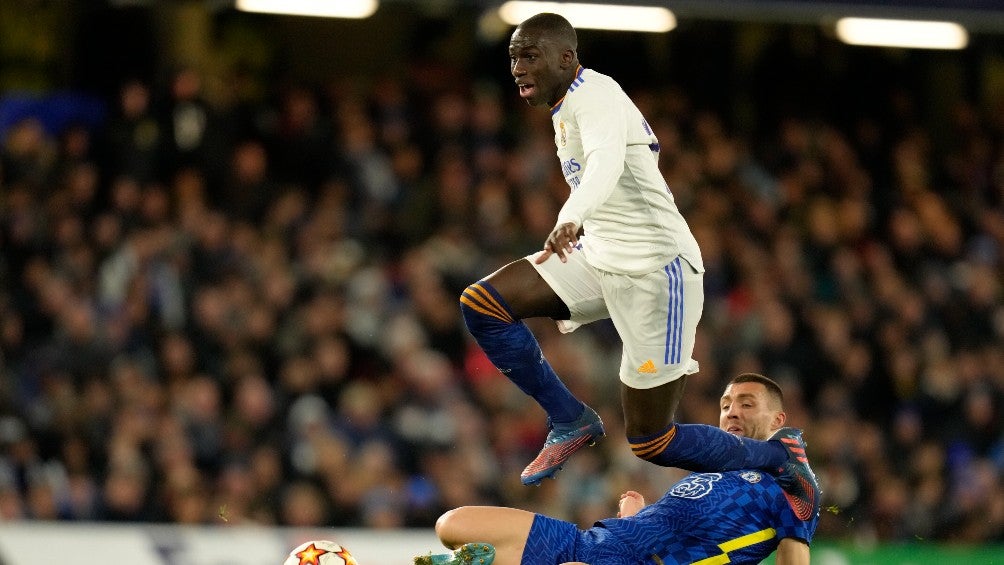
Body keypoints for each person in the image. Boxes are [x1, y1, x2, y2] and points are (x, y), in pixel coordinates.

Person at [459, 12, 705, 486]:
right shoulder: (568, 105)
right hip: (602, 256)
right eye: (513, 58)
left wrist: (569, 218)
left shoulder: (594, 97)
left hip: (658, 272)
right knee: (484, 303)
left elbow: (606, 164)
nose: (517, 68)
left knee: (652, 440)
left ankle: (774, 461)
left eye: (529, 55)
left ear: (567, 58)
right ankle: (569, 419)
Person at [414, 373, 821, 565]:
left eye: (746, 404)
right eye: (726, 404)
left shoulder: (789, 485)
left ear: (778, 419)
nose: (732, 411)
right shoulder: (711, 475)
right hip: (596, 541)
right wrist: (636, 512)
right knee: (453, 524)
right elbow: (673, 527)